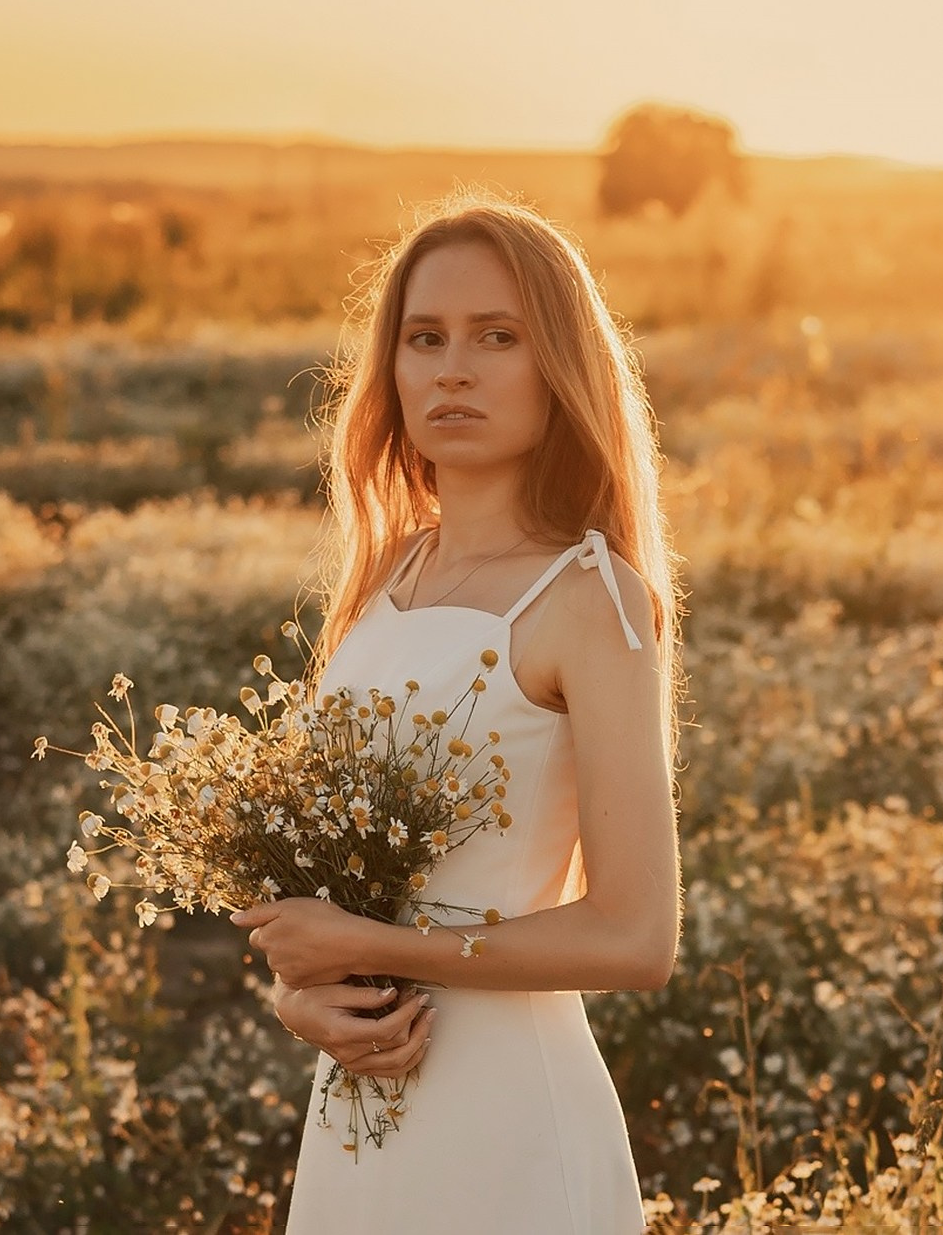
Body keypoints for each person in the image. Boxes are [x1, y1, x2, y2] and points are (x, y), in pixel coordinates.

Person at [227, 193, 684, 1234]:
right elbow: (324, 893)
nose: (452, 369)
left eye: (497, 336)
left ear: (557, 365)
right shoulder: (388, 575)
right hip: (360, 1108)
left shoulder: (587, 596)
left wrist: (380, 944)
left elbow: (635, 936)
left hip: (509, 1120)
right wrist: (304, 998)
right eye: (423, 338)